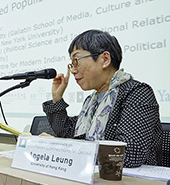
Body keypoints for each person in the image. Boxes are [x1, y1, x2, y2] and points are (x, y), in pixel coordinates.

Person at [42, 29, 162, 168]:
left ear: (105, 59)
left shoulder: (137, 93)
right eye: (71, 64)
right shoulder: (91, 102)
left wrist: (63, 148)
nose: (73, 70)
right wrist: (57, 98)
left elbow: (129, 155)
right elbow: (68, 134)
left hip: (132, 184)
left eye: (76, 61)